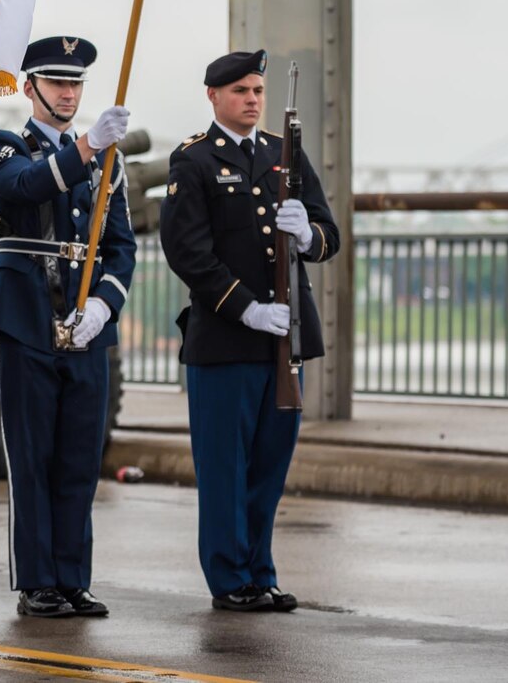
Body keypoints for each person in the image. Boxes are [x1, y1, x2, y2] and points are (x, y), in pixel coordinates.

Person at [159, 49, 340, 613]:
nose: (253, 100)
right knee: (225, 469)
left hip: (284, 340)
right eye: (240, 90)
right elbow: (187, 251)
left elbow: (329, 233)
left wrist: (307, 234)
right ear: (214, 96)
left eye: (258, 90)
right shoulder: (193, 161)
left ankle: (260, 570)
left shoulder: (283, 153)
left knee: (268, 465)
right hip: (228, 338)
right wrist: (247, 308)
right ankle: (230, 579)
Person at [0, 37, 137, 619]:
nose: (68, 93)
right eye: (56, 82)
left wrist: (103, 307)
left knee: (78, 457)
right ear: (30, 88)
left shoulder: (109, 162)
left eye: (76, 84)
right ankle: (37, 581)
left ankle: (72, 577)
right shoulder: (2, 143)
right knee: (32, 454)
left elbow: (120, 246)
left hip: (83, 322)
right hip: (25, 316)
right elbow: (22, 188)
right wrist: (89, 146)